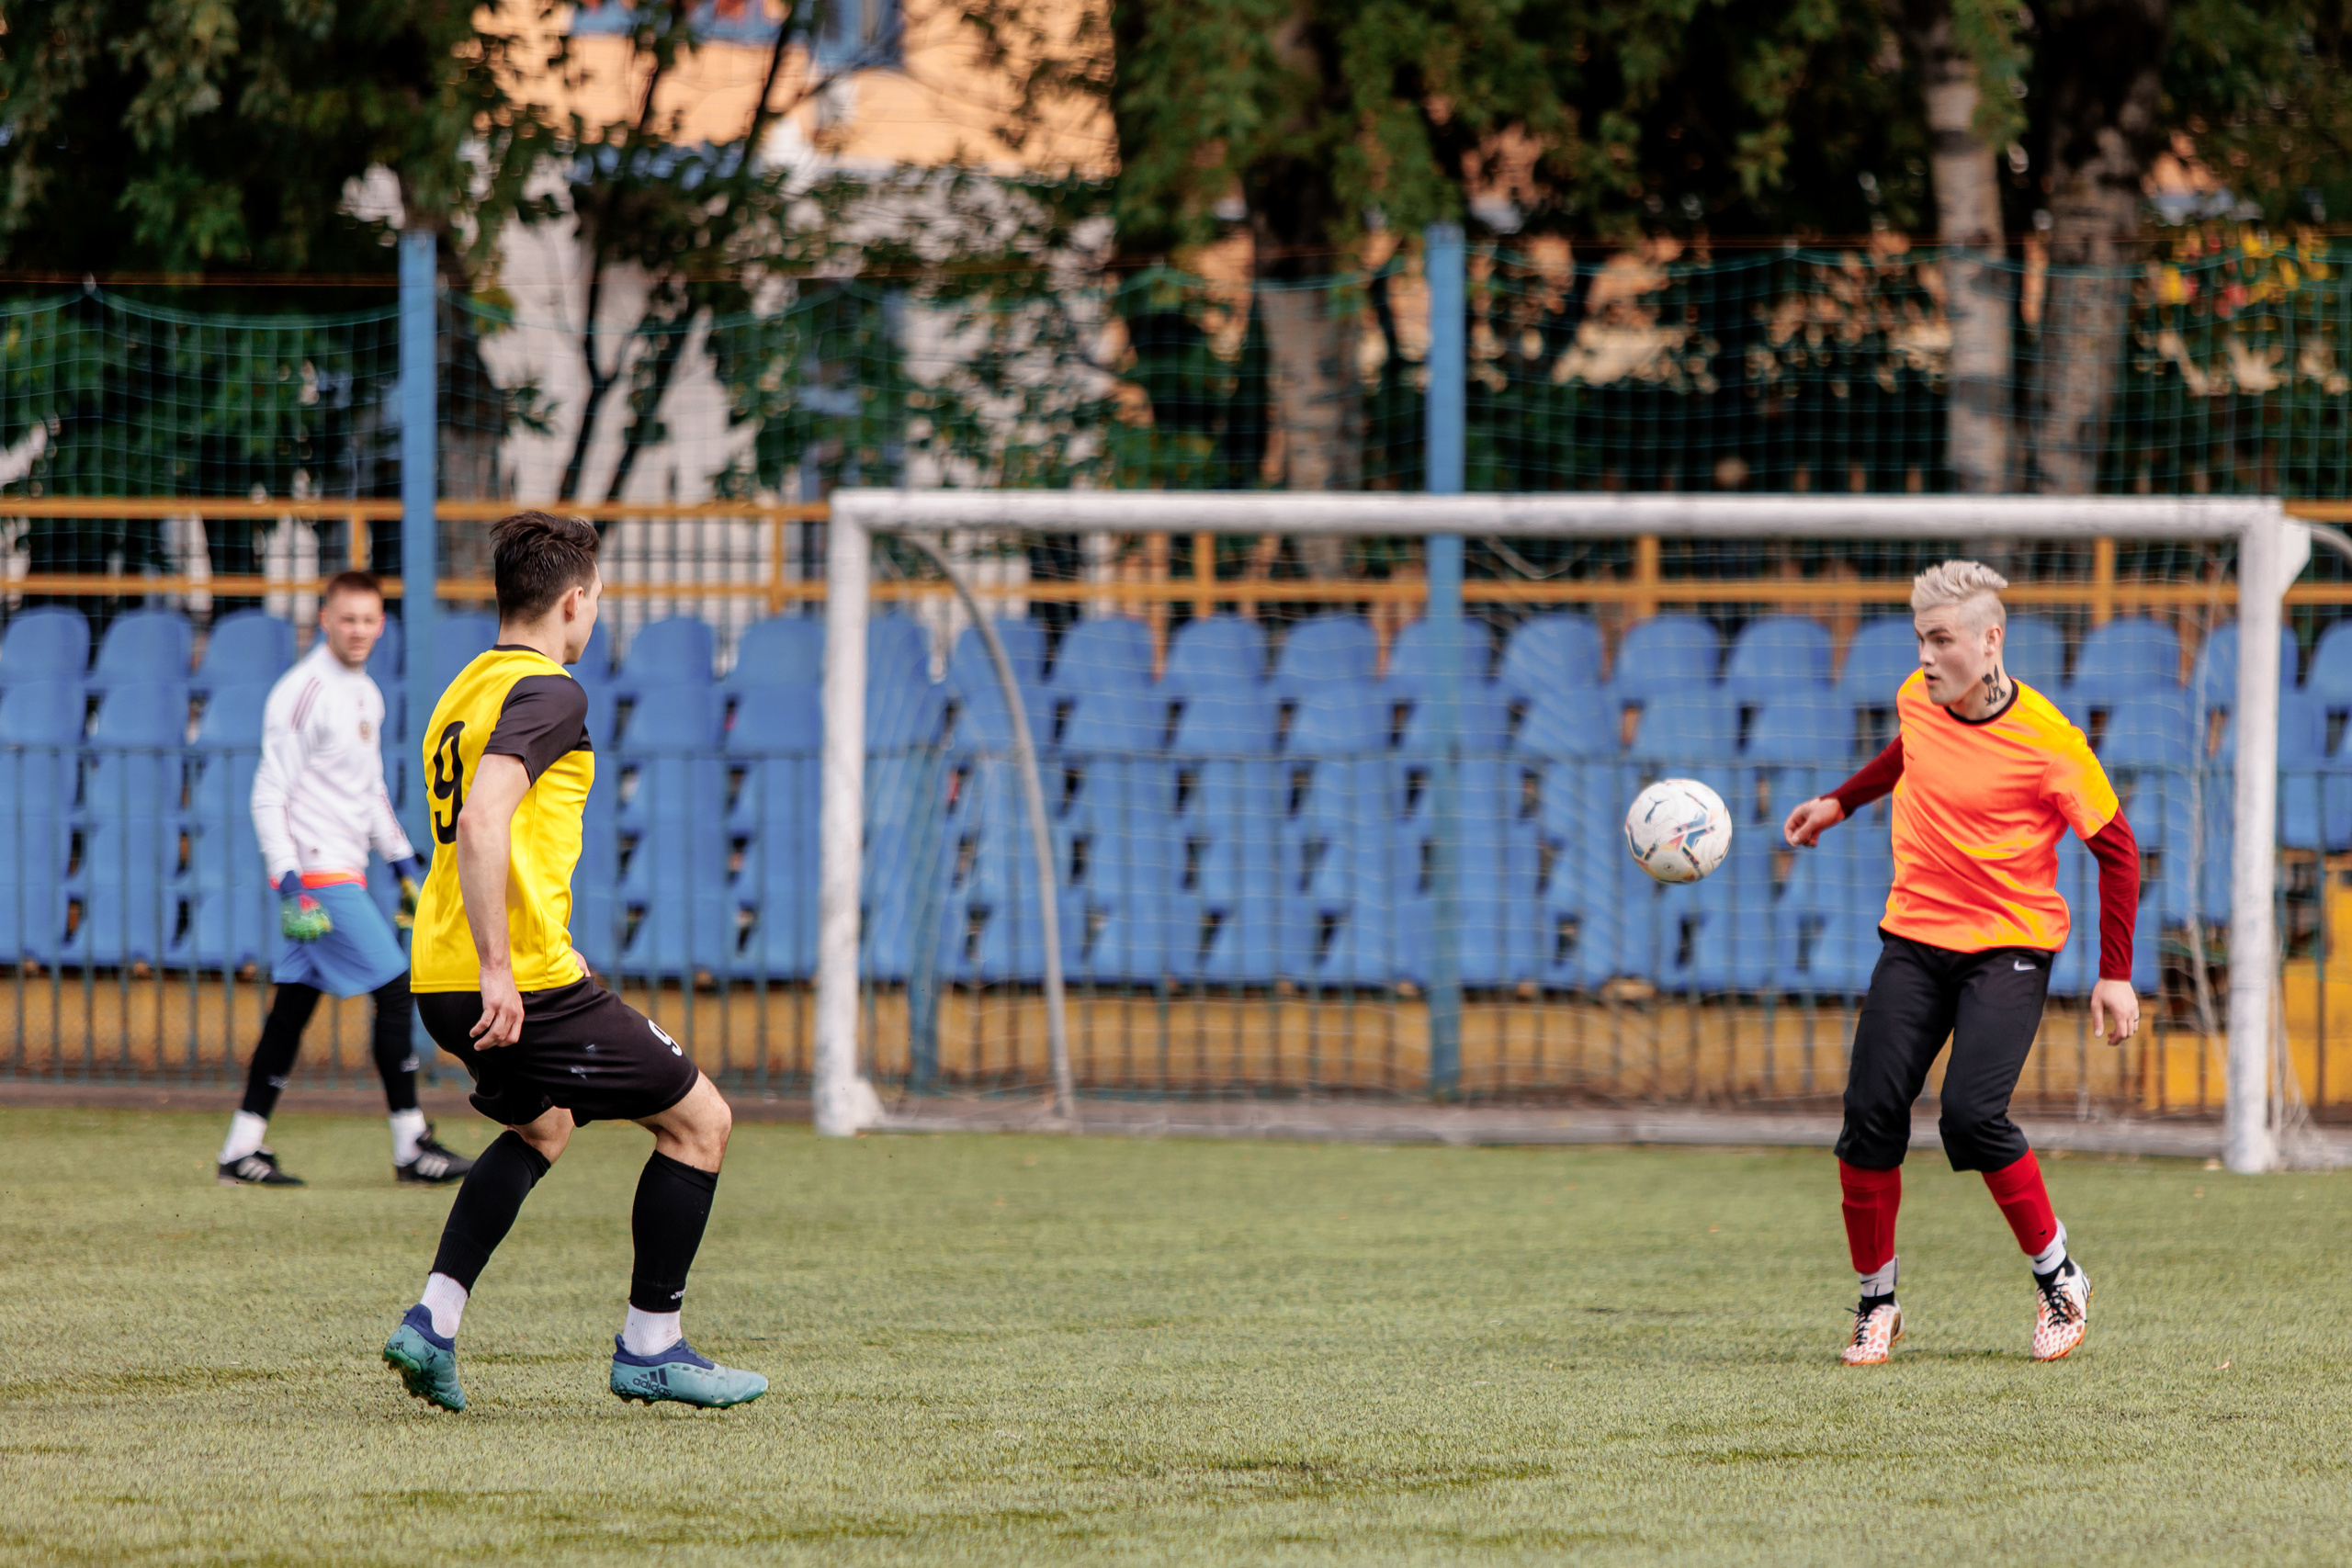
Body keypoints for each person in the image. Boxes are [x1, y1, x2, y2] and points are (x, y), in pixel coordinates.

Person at [380, 511, 763, 1413]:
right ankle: (651, 1346)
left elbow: (493, 840)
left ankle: (431, 1322)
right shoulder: (552, 691)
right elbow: (482, 823)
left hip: (437, 975)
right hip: (508, 980)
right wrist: (506, 967)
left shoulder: (465, 687)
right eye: (597, 602)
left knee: (542, 1128)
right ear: (574, 600)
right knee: (702, 1123)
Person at [1782, 560, 2141, 1366]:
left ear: (1990, 642)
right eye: (1920, 639)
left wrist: (2114, 972)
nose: (1926, 657)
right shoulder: (1921, 698)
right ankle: (1877, 1303)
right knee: (1869, 1117)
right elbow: (1906, 752)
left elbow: (2118, 854)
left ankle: (2059, 1277)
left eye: (1941, 640)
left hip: (2008, 948)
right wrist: (1841, 800)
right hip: (1913, 938)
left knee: (1971, 1117)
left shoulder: (2050, 742)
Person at [217, 571, 474, 1188]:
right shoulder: (300, 690)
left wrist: (402, 861)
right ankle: (412, 1144)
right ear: (324, 620)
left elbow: (370, 790)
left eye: (369, 619)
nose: (358, 630)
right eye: (347, 618)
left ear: (382, 624)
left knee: (291, 1012)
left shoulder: (366, 693)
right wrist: (287, 880)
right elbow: (267, 792)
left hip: (348, 869)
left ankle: (240, 1149)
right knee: (394, 985)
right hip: (317, 877)